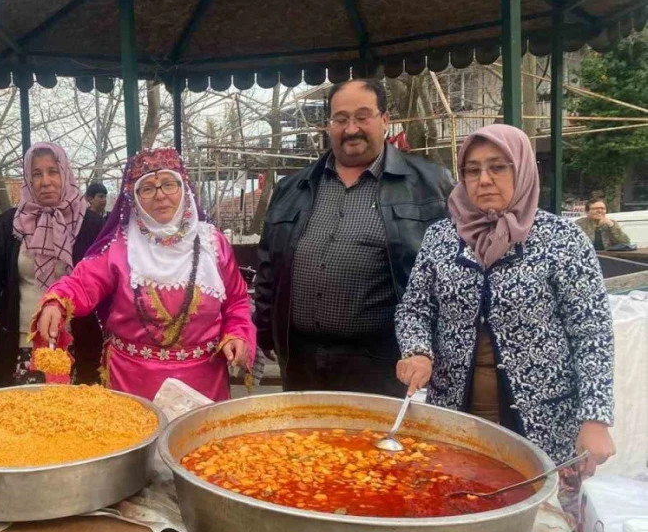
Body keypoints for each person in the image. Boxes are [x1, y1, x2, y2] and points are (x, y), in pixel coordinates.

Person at [395, 124, 615, 480]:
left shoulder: (562, 240)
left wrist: (595, 417)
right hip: (457, 419)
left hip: (543, 423)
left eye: (498, 167)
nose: (483, 179)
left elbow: (592, 334)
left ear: (523, 169)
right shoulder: (441, 237)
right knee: (457, 510)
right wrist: (417, 350)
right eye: (472, 169)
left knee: (542, 527)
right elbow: (415, 308)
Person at [253, 79, 454, 398]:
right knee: (299, 447)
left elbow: (450, 276)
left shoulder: (431, 186)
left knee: (374, 448)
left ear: (385, 120)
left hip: (384, 365)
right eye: (341, 119)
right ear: (328, 125)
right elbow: (268, 269)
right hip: (301, 361)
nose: (351, 129)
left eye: (363, 117)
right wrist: (263, 333)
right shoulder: (292, 188)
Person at [34, 148, 254, 401]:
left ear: (184, 189)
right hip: (132, 384)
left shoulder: (212, 243)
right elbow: (82, 283)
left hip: (204, 384)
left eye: (169, 184)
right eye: (148, 188)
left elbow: (237, 302)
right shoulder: (119, 247)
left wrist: (237, 333)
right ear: (134, 198)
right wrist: (56, 301)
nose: (160, 196)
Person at [0, 142, 104, 386]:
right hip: (22, 342)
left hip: (78, 344)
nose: (45, 181)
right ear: (28, 179)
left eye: (53, 171)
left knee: (76, 421)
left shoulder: (90, 224)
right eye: (37, 173)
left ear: (66, 174)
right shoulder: (10, 223)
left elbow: (104, 283)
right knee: (24, 418)